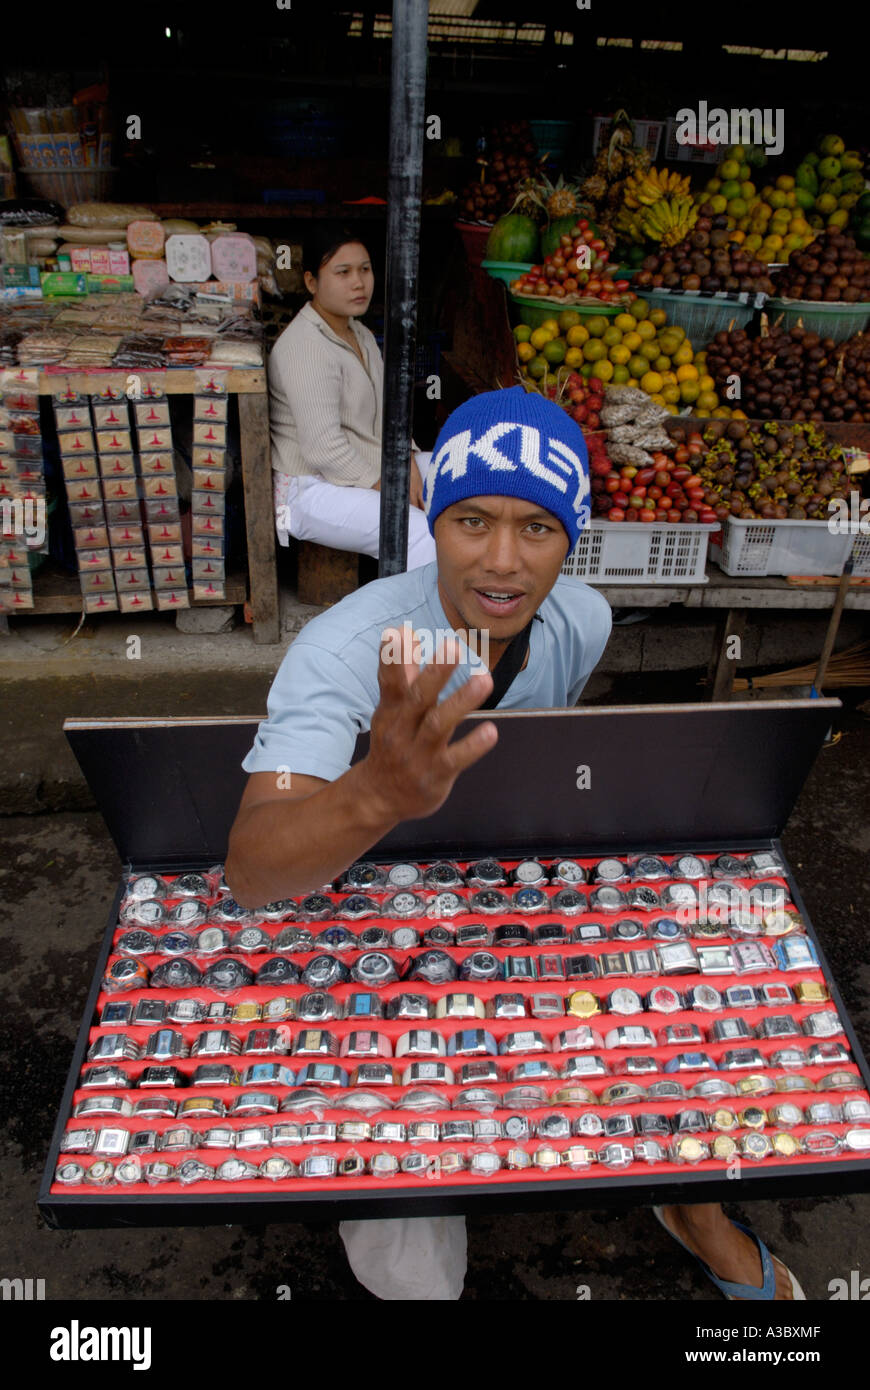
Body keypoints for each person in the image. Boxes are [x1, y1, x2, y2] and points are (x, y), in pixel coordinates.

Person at [226, 385, 803, 1303]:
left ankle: (688, 1201)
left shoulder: (582, 620)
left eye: (537, 527)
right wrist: (374, 795)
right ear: (433, 518)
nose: (502, 561)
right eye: (472, 521)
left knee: (699, 995)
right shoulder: (346, 652)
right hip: (358, 917)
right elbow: (254, 872)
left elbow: (548, 775)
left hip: (511, 897)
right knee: (409, 1209)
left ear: (572, 538)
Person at [269, 225, 435, 568]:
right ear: (312, 282)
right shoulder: (306, 346)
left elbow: (391, 413)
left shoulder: (357, 332)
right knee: (416, 532)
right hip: (310, 490)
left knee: (459, 472)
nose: (359, 283)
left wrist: (407, 462)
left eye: (365, 269)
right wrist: (391, 488)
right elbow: (322, 448)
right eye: (342, 273)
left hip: (367, 465)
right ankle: (425, 619)